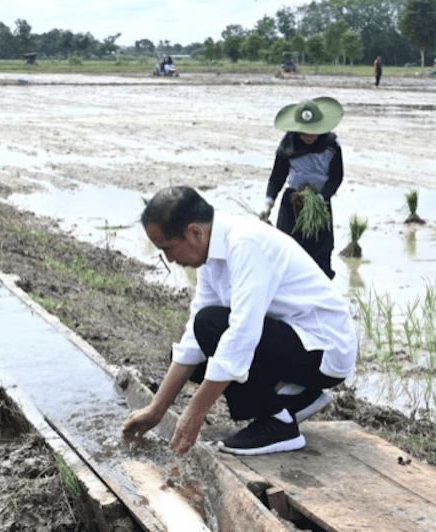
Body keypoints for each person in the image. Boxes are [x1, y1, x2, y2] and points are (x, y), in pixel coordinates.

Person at [122, 186, 356, 456]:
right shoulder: (211, 254)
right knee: (200, 349)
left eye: (169, 248)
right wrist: (156, 409)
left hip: (325, 348)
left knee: (212, 326)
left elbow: (243, 332)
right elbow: (193, 340)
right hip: (296, 341)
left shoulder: (245, 243)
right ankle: (299, 397)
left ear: (195, 232)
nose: (170, 259)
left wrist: (195, 411)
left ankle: (278, 423)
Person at [259, 97, 344, 279]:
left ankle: (321, 296)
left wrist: (321, 198)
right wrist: (268, 203)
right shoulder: (288, 145)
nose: (309, 135)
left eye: (313, 130)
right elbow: (277, 177)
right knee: (287, 248)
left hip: (320, 202)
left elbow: (336, 177)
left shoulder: (331, 145)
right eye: (304, 131)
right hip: (293, 201)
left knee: (321, 251)